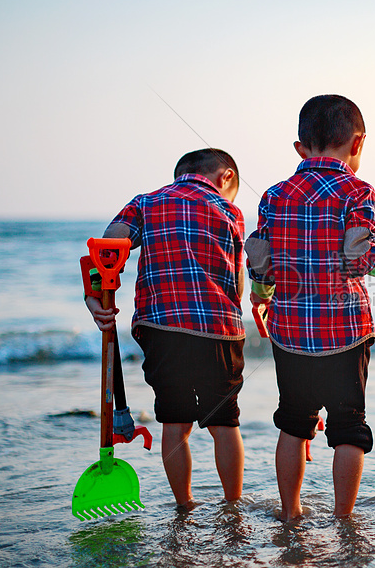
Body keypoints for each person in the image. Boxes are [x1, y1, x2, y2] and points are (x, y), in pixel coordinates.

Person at [245, 95, 375, 520]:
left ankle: (291, 513)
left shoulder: (274, 196)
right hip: (345, 332)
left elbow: (261, 259)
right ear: (358, 143)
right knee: (349, 427)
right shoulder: (357, 190)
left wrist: (261, 295)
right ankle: (343, 518)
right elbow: (359, 258)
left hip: (290, 332)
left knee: (294, 425)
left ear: (300, 148)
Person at [85, 148, 246, 508]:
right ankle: (233, 505)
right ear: (226, 178)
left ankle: (185, 504)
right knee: (224, 422)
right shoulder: (230, 210)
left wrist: (94, 295)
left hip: (161, 327)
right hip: (218, 328)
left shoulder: (146, 202)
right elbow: (236, 283)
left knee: (175, 422)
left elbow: (107, 248)